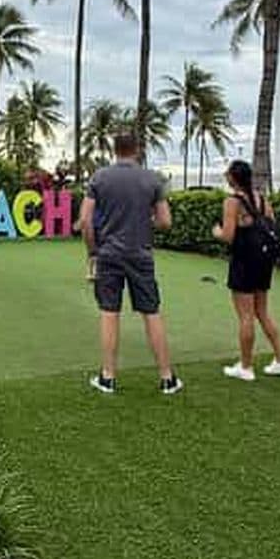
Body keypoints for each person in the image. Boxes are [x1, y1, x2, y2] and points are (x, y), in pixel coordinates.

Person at [79, 133, 182, 395]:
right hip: (140, 255)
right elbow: (166, 222)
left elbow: (85, 221)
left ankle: (108, 377)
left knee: (109, 313)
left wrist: (92, 252)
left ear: (115, 150)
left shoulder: (99, 178)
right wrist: (144, 222)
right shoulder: (153, 179)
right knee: (151, 312)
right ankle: (167, 378)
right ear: (137, 150)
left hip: (108, 255)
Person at [212, 160, 280, 382]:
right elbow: (271, 226)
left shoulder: (232, 201)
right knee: (262, 312)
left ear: (232, 178)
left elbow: (228, 236)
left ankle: (246, 367)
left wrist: (217, 232)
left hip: (244, 261)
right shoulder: (262, 199)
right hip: (263, 262)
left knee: (246, 315)